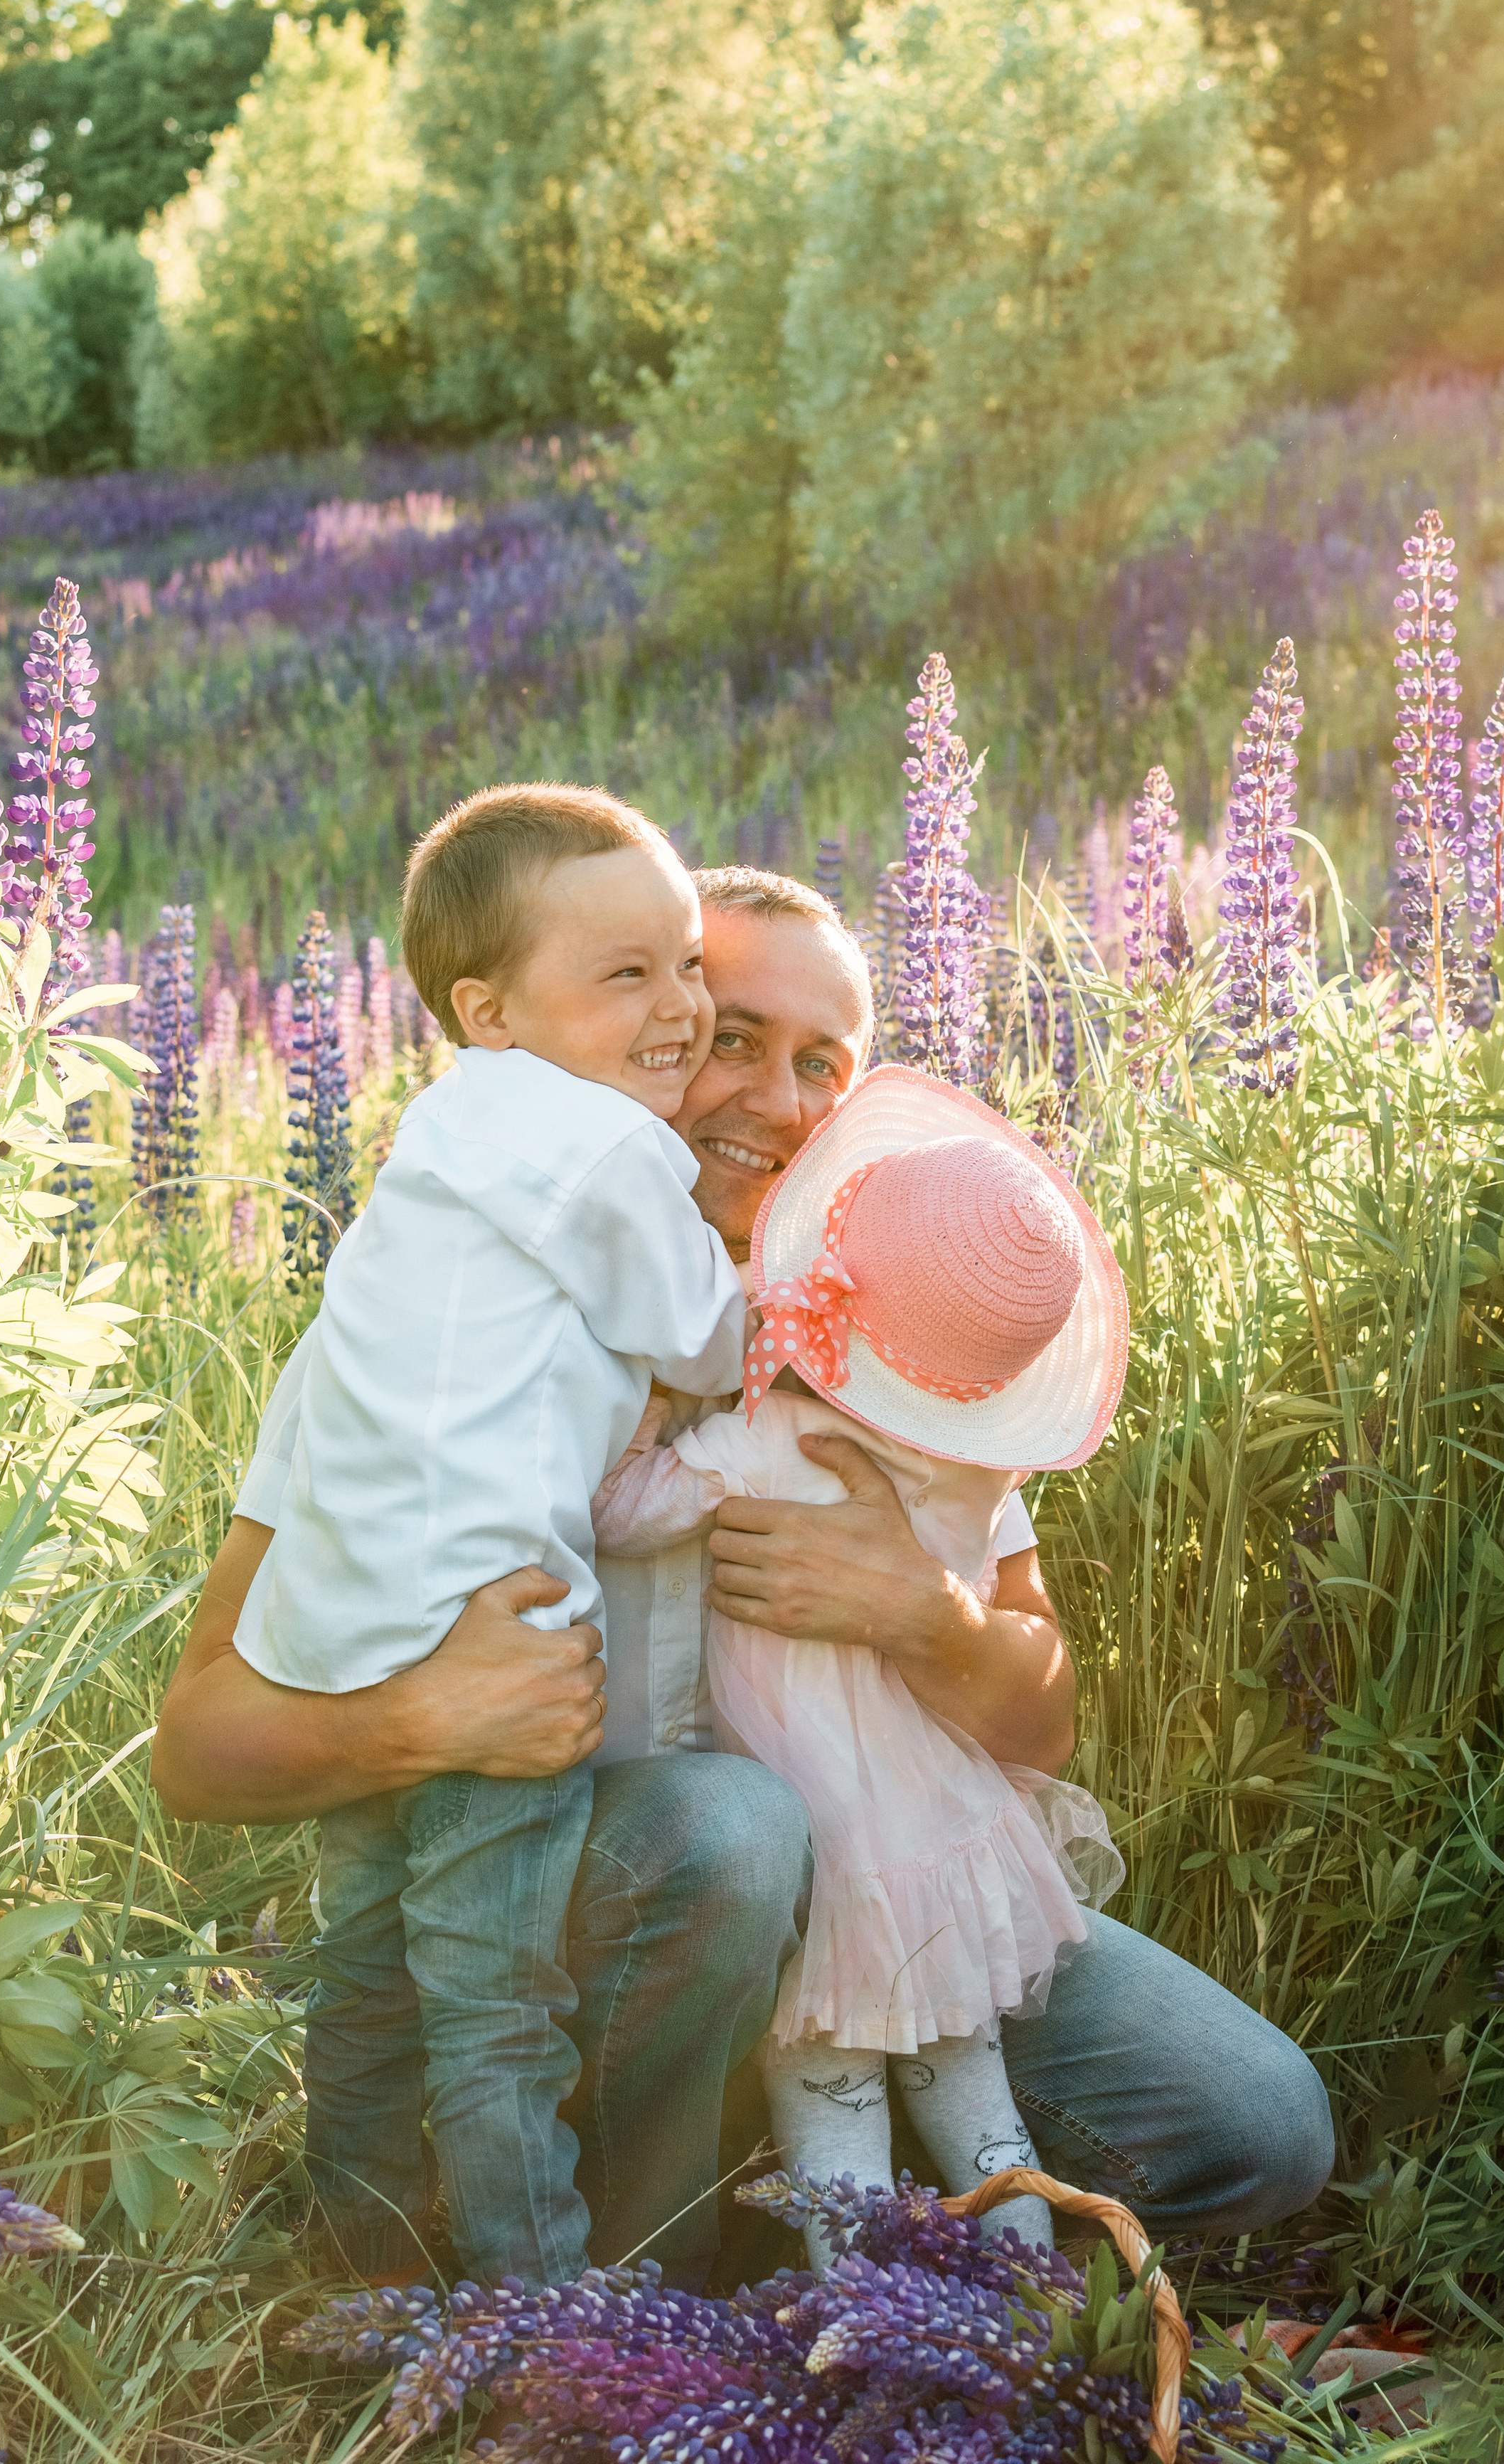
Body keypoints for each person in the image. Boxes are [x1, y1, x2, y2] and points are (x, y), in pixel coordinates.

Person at [152, 867, 1334, 2289]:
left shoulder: (895, 1339)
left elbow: (1041, 1720)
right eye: (731, 1036)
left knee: (1255, 2122)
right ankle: (662, 2274)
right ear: (628, 1031)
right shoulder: (438, 1328)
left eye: (819, 1064)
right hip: (575, 1941)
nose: (773, 1099)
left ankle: (852, 2215)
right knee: (726, 1830)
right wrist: (414, 1726)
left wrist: (920, 1610)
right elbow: (196, 1750)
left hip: (891, 1911)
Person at [230, 780, 747, 2285]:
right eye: (626, 975)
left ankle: (365, 2262)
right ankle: (543, 2324)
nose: (683, 1009)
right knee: (494, 2002)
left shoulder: (445, 1131)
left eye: (690, 960)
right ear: (488, 1008)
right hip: (495, 1624)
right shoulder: (606, 1148)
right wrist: (776, 1305)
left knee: (369, 1972)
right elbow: (702, 1338)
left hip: (353, 1632)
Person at [594, 1066, 1133, 2266]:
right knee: (968, 2082)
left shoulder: (774, 1434)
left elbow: (623, 1514)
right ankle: (1030, 2279)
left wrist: (645, 1400)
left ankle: (861, 2308)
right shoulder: (978, 1467)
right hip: (944, 1825)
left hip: (833, 1842)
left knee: (830, 2079)